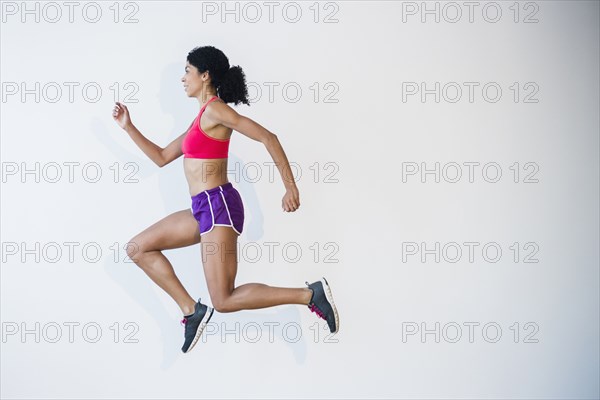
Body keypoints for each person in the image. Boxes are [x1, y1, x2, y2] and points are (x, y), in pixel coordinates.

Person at [111, 45, 339, 353]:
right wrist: (129, 128)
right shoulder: (200, 118)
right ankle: (192, 311)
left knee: (224, 299)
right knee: (138, 248)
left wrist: (290, 187)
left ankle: (309, 295)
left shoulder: (217, 110)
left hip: (219, 207)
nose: (183, 78)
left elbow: (268, 137)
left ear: (205, 76)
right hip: (202, 209)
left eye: (188, 71)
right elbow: (163, 156)